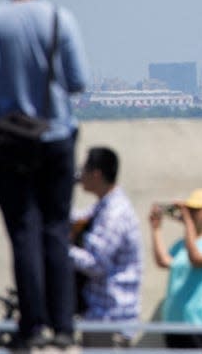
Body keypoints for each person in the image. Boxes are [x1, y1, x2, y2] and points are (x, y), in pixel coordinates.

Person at [0, 0, 89, 349]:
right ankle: (64, 327)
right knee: (56, 231)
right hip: (55, 136)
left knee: (22, 233)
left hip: (9, 142)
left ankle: (32, 326)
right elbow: (78, 81)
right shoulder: (60, 19)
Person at [70, 147, 142, 348]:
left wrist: (61, 250)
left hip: (110, 320)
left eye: (83, 170)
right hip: (101, 318)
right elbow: (78, 219)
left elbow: (96, 264)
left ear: (96, 174)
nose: (80, 175)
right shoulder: (104, 207)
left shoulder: (114, 214)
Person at [150, 188, 202, 349]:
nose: (190, 213)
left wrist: (187, 223)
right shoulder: (183, 243)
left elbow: (196, 259)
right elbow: (164, 261)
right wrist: (156, 229)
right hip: (174, 322)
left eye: (195, 210)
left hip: (201, 323)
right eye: (189, 210)